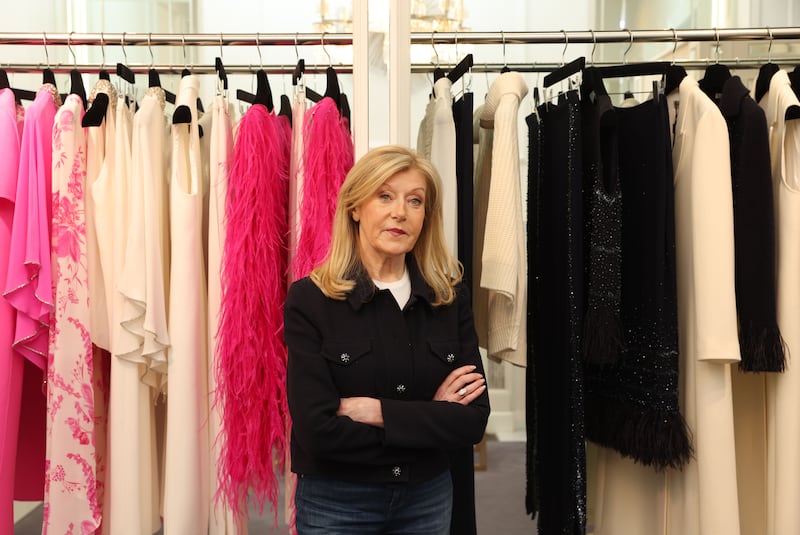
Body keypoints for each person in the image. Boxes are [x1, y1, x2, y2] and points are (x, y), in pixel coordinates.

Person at [285, 144, 490, 534]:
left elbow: (471, 421)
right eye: (385, 196)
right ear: (355, 207)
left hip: (426, 499)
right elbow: (317, 432)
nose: (401, 212)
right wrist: (430, 417)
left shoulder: (449, 298)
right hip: (337, 502)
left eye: (415, 201)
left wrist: (376, 412)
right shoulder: (310, 300)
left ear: (425, 217)